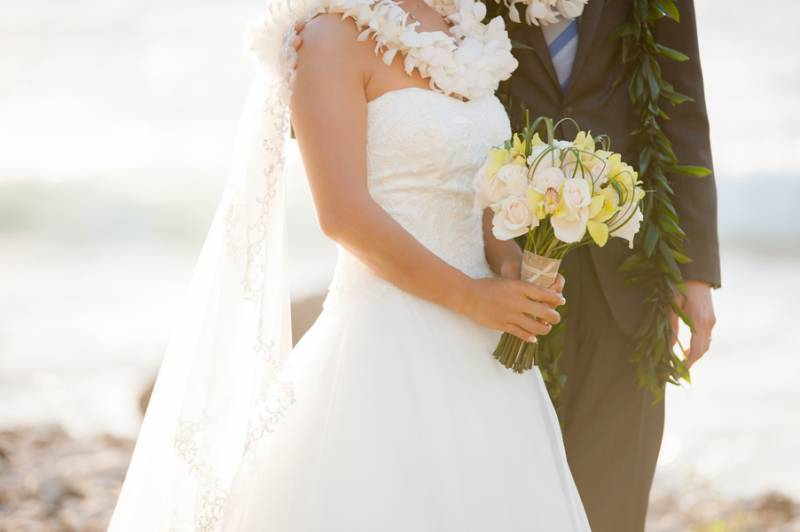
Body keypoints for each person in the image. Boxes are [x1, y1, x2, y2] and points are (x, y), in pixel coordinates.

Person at [108, 0, 591, 529]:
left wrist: (510, 266)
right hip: (388, 338)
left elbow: (479, 189)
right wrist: (470, 297)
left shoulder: (465, 33)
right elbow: (343, 214)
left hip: (486, 346)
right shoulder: (327, 39)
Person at [507, 1, 719, 530]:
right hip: (503, 263)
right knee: (513, 490)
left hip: (631, 268)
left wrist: (694, 273)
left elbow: (683, 102)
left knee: (615, 497)